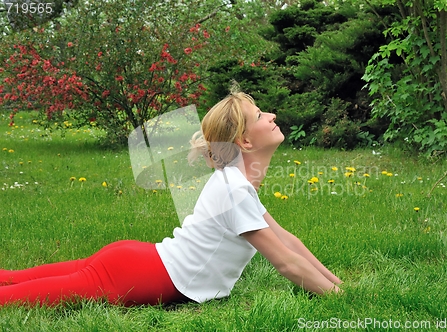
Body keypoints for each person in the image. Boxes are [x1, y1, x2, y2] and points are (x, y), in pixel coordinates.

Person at [0, 86, 342, 307]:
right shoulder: (234, 189)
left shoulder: (237, 185)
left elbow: (289, 242)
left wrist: (337, 284)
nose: (272, 116)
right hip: (134, 274)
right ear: (245, 142)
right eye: (260, 116)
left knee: (21, 277)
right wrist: (338, 300)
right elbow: (283, 261)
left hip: (136, 262)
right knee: (17, 294)